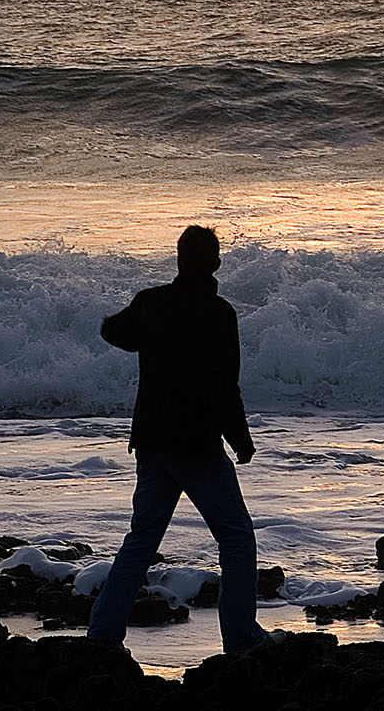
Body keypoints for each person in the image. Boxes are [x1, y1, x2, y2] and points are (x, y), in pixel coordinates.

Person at [87, 224, 269, 652]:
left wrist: (149, 334)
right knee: (237, 539)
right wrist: (241, 439)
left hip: (152, 441)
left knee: (142, 540)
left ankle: (102, 633)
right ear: (217, 263)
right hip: (197, 445)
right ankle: (241, 636)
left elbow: (113, 332)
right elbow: (226, 387)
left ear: (178, 259)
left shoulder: (152, 303)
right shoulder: (219, 313)